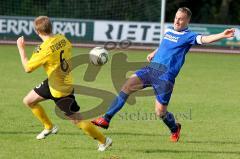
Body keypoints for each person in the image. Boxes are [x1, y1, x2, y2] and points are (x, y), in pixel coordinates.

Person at [92, 7, 235, 142]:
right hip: (150, 69)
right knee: (126, 86)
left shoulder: (189, 36)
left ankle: (174, 128)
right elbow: (164, 45)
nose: (177, 21)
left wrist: (223, 34)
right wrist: (154, 53)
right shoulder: (168, 31)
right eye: (176, 18)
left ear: (187, 21)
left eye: (181, 19)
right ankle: (106, 118)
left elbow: (205, 39)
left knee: (160, 112)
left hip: (165, 77)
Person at [16, 16, 112, 151]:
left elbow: (27, 68)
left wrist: (21, 48)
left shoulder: (44, 49)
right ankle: (49, 127)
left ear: (37, 32)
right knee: (29, 101)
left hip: (60, 91)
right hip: (55, 81)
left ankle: (104, 141)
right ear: (51, 27)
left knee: (77, 120)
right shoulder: (63, 39)